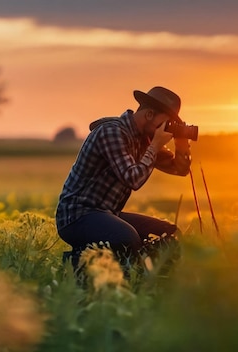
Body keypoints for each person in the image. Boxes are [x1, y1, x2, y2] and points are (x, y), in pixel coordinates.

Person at [55, 86, 193, 275]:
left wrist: (181, 142)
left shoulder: (145, 138)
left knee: (169, 233)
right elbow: (133, 179)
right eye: (164, 124)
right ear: (149, 114)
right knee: (126, 237)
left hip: (107, 213)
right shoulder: (112, 132)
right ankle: (78, 267)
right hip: (76, 215)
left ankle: (152, 281)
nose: (164, 130)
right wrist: (154, 146)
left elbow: (180, 169)